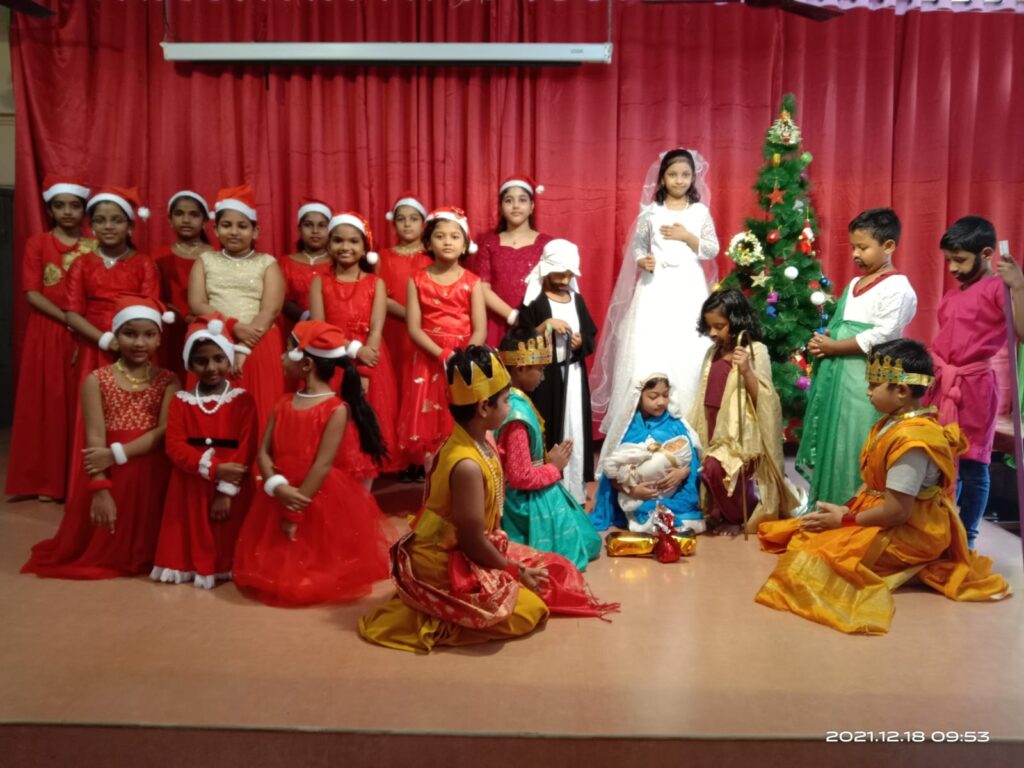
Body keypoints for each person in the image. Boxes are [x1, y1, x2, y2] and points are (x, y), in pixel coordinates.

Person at [359, 346, 617, 653]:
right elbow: (471, 542)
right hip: (445, 559)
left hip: (475, 546)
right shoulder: (466, 465)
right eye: (506, 400)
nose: (511, 406)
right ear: (484, 407)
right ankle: (442, 618)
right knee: (530, 611)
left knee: (557, 568)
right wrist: (515, 571)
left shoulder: (482, 438)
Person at [757, 339, 1012, 635]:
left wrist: (845, 521)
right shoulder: (890, 424)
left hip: (913, 529)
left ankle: (920, 567)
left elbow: (897, 512)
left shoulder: (912, 442)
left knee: (820, 558)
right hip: (886, 514)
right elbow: (872, 483)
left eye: (873, 385)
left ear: (901, 391)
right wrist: (846, 509)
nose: (868, 392)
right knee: (803, 535)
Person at [232, 321, 391, 606]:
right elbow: (264, 452)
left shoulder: (336, 409)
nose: (281, 356)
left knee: (314, 552)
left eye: (287, 351)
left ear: (306, 364)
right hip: (281, 488)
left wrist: (295, 508)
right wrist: (275, 485)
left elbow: (322, 465)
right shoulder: (283, 402)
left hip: (314, 492)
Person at [22, 296, 179, 579]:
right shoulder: (97, 379)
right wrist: (100, 489)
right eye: (130, 334)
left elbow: (164, 432)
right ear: (115, 336)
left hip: (150, 476)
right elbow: (94, 441)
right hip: (111, 475)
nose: (139, 343)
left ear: (159, 339)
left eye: (149, 335)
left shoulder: (168, 380)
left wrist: (117, 454)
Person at [591, 148, 719, 458]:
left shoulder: (699, 213)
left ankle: (690, 434)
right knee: (651, 350)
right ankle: (642, 437)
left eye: (685, 175)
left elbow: (712, 249)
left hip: (688, 289)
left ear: (693, 178)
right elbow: (637, 246)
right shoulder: (651, 212)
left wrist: (687, 236)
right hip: (655, 289)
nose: (679, 180)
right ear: (662, 178)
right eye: (673, 174)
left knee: (688, 353)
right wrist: (642, 260)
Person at [796, 208, 918, 508]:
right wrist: (824, 342)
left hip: (865, 381)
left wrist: (834, 347)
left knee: (855, 441)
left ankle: (852, 510)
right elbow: (841, 326)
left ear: (888, 246)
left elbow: (883, 335)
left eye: (863, 247)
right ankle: (826, 505)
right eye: (853, 246)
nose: (855, 254)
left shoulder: (898, 287)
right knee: (834, 439)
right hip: (837, 379)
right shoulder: (854, 284)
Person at [922, 217, 1024, 549]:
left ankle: (967, 537)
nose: (953, 267)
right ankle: (941, 530)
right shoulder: (953, 295)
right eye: (949, 260)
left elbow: (1022, 332)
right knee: (940, 460)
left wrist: (1019, 287)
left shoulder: (998, 288)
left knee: (972, 464)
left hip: (975, 388)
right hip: (944, 384)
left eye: (960, 260)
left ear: (986, 254)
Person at [150, 315, 258, 589]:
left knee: (225, 529)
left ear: (229, 359)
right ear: (190, 364)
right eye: (201, 361)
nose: (211, 367)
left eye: (218, 359)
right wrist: (212, 468)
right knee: (192, 527)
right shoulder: (181, 402)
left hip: (231, 482)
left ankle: (225, 565)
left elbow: (246, 448)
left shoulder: (243, 401)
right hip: (191, 483)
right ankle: (189, 564)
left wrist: (225, 491)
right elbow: (175, 446)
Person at [6, 176, 96, 502]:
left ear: (84, 210)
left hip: (85, 331)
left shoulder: (95, 245)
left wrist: (82, 325)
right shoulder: (38, 243)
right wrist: (68, 319)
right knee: (49, 403)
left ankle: (76, 479)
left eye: (74, 206)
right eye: (60, 206)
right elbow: (33, 293)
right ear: (49, 209)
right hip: (48, 331)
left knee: (80, 403)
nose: (67, 212)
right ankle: (47, 481)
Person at [690, 289, 800, 536]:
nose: (713, 333)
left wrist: (747, 370)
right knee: (707, 469)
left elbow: (765, 397)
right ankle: (720, 512)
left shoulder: (755, 350)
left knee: (720, 469)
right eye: (709, 327)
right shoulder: (713, 351)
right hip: (711, 420)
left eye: (719, 326)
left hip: (738, 428)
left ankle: (742, 514)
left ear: (737, 321)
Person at [495, 327, 602, 570]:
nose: (543, 377)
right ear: (520, 369)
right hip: (522, 502)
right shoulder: (516, 416)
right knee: (584, 544)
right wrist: (554, 467)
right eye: (541, 369)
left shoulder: (513, 401)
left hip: (533, 488)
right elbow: (520, 477)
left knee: (588, 539)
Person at [309, 211, 399, 477]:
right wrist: (352, 348)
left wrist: (365, 370)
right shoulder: (319, 282)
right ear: (329, 245)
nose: (345, 247)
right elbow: (319, 328)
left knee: (366, 423)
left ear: (364, 248)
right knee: (337, 423)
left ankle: (365, 491)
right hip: (332, 360)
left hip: (369, 361)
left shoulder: (375, 283)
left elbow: (376, 328)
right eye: (338, 240)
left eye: (353, 241)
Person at [188, 184, 285, 430]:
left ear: (255, 231)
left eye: (242, 226)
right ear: (215, 230)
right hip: (214, 341)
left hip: (258, 340)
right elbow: (197, 303)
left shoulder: (267, 263)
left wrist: (244, 346)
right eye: (226, 225)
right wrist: (232, 327)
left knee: (258, 411)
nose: (233, 232)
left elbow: (270, 310)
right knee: (216, 414)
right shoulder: (205, 261)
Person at [397, 207, 486, 468]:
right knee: (429, 427)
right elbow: (414, 328)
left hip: (463, 361)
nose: (448, 241)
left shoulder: (472, 281)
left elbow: (479, 328)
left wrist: (463, 358)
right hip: (429, 361)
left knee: (461, 419)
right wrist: (442, 354)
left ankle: (461, 476)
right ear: (428, 243)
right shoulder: (417, 280)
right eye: (440, 236)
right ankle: (432, 483)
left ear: (465, 245)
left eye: (455, 236)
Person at [518, 238, 598, 504]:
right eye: (558, 274)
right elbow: (520, 339)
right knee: (551, 427)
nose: (564, 280)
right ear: (546, 270)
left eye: (568, 274)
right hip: (547, 379)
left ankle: (575, 489)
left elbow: (590, 334)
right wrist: (545, 326)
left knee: (575, 427)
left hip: (574, 375)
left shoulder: (577, 300)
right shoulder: (535, 302)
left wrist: (581, 343)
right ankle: (550, 487)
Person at [65, 186, 160, 394]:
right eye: (100, 220)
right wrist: (105, 340)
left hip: (135, 345)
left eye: (117, 220)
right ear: (91, 226)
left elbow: (150, 312)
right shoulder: (81, 264)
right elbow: (72, 314)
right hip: (93, 344)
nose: (108, 226)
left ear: (130, 226)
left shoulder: (144, 264)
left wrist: (128, 341)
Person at [592, 374, 704, 534]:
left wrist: (682, 473)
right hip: (638, 496)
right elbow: (611, 471)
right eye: (653, 396)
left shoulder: (675, 425)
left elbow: (692, 462)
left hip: (674, 495)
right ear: (639, 397)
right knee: (647, 516)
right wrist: (633, 490)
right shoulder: (627, 429)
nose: (661, 402)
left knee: (683, 520)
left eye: (665, 395)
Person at [376, 193, 432, 478]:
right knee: (395, 388)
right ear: (393, 223)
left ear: (423, 223)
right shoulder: (383, 257)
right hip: (393, 331)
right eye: (401, 219)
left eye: (413, 219)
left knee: (419, 389)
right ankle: (397, 456)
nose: (407, 224)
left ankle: (419, 456)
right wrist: (411, 315)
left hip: (424, 333)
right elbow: (378, 296)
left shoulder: (432, 256)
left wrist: (420, 319)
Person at [467, 175, 552, 346]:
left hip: (537, 323)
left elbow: (554, 287)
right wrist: (513, 316)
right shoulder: (489, 243)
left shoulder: (548, 244)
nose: (516, 206)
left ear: (532, 206)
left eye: (522, 200)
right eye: (509, 200)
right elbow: (482, 287)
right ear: (500, 207)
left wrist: (530, 319)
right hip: (498, 322)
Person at [154, 190, 213, 381]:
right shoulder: (158, 257)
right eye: (179, 214)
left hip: (210, 329)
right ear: (170, 220)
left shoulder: (216, 255)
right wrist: (182, 316)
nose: (186, 220)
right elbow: (155, 296)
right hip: (171, 331)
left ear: (205, 221)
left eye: (194, 215)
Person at [278, 197, 333, 329]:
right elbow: (280, 300)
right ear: (299, 229)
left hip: (333, 330)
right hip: (294, 331)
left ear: (330, 230)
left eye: (322, 225)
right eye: (308, 225)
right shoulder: (285, 263)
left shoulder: (338, 263)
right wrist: (305, 317)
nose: (315, 231)